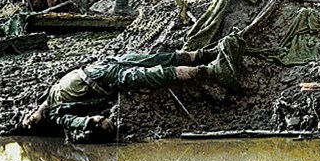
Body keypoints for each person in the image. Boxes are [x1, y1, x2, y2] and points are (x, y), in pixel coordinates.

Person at [19, 46, 219, 141]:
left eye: (29, 118)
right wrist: (92, 120)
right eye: (33, 123)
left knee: (149, 59)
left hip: (101, 66)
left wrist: (34, 113)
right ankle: (204, 70)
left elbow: (42, 107)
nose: (32, 119)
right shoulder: (55, 114)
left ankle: (201, 55)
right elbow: (71, 121)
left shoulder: (47, 99)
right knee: (145, 74)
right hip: (101, 78)